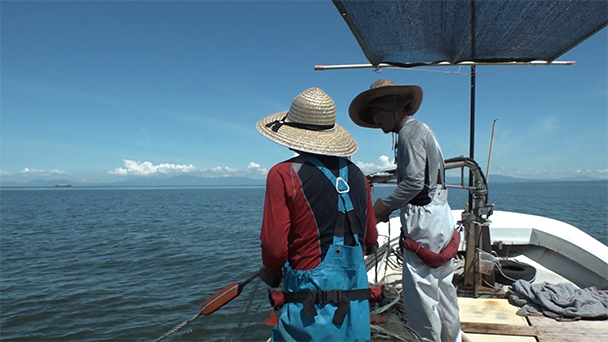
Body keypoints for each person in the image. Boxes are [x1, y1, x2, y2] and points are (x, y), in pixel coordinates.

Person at [256, 87, 378, 342]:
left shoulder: (283, 174)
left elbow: (274, 247)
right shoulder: (357, 175)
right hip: (354, 310)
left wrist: (270, 272)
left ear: (293, 134)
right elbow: (370, 236)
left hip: (309, 310)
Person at [349, 79, 462, 342]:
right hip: (440, 214)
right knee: (443, 290)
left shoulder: (408, 134)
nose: (375, 117)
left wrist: (382, 207)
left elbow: (413, 182)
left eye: (377, 110)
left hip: (424, 220)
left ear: (395, 105)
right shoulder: (421, 130)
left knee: (421, 297)